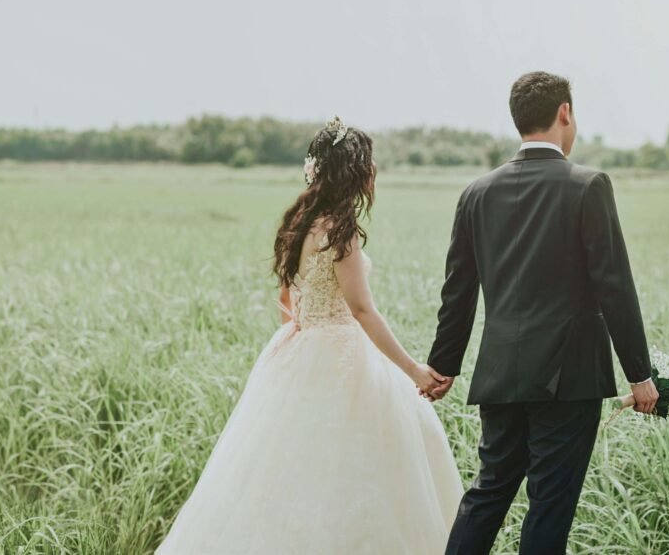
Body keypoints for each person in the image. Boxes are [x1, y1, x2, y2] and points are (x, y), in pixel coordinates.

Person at [156, 117, 463, 554]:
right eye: (368, 163)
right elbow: (362, 310)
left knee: (286, 472)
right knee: (357, 471)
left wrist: (304, 334)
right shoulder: (341, 232)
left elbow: (286, 300)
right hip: (340, 351)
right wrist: (414, 370)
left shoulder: (299, 222)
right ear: (355, 172)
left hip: (299, 348)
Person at [422, 71, 660, 555]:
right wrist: (640, 374)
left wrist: (443, 366)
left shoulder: (476, 193)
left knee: (487, 495)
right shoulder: (588, 185)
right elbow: (614, 286)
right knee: (548, 508)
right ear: (565, 113)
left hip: (499, 375)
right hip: (568, 380)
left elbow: (458, 292)